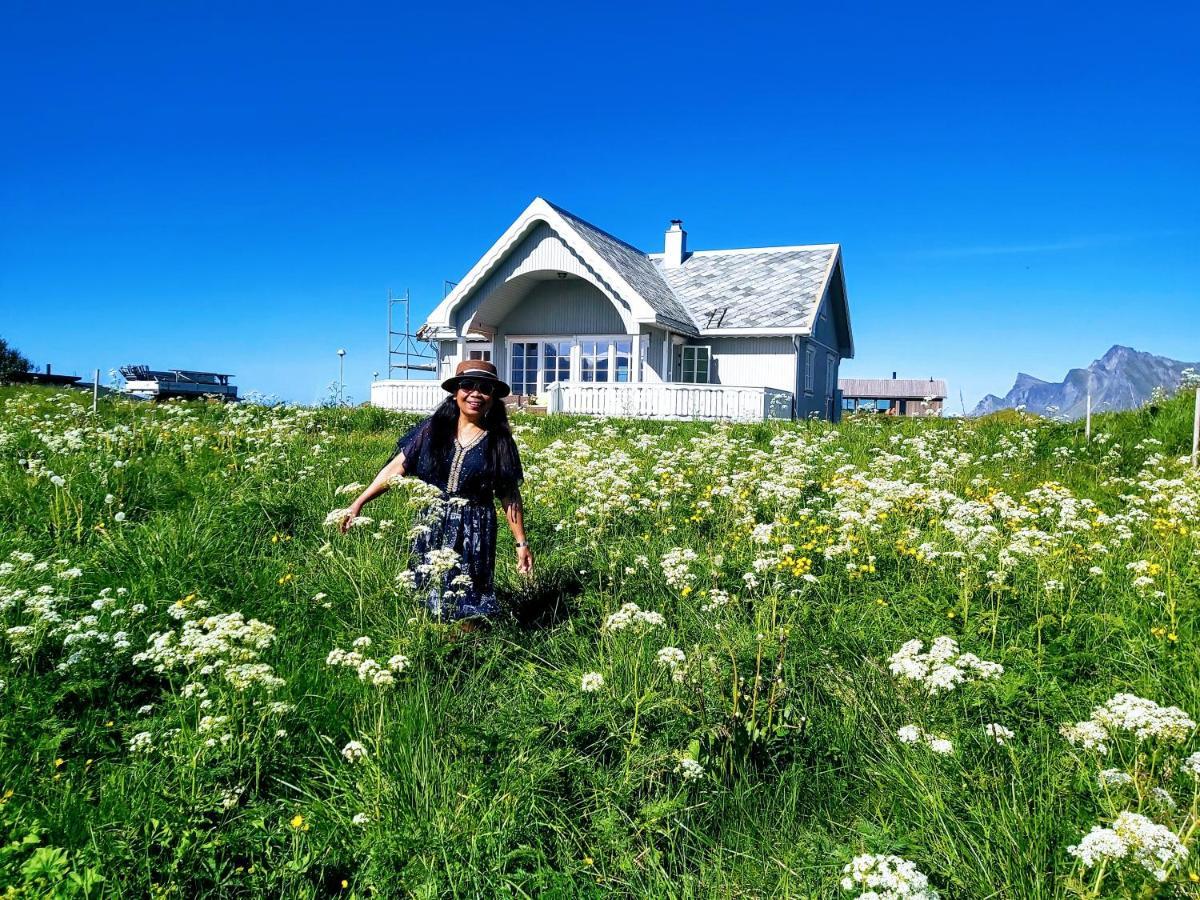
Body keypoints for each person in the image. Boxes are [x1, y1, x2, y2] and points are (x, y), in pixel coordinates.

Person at [340, 360, 532, 626]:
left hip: (475, 528)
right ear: (456, 392)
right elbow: (397, 467)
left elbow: (509, 494)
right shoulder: (432, 429)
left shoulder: (499, 440)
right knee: (427, 591)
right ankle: (428, 648)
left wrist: (521, 543)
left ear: (492, 398)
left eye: (485, 388)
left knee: (468, 600)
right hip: (431, 522)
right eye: (468, 386)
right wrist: (359, 502)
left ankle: (467, 652)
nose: (476, 394)